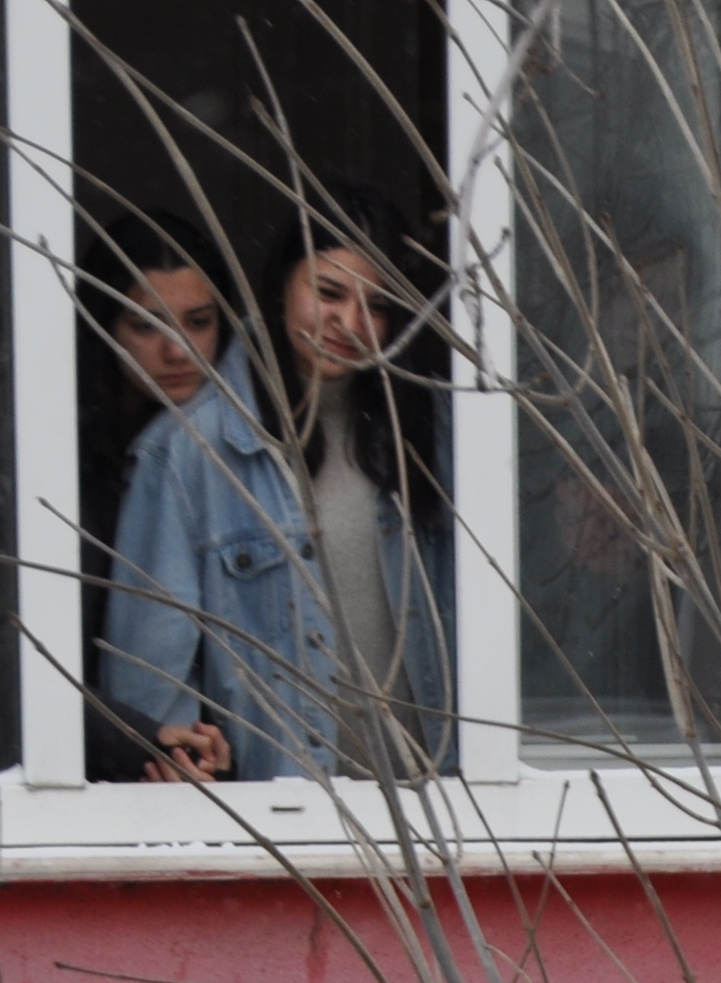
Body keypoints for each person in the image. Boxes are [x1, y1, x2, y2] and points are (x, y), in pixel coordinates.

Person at [97, 216, 455, 784]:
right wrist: (176, 773)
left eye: (377, 305)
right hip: (290, 817)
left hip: (442, 806)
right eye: (329, 292)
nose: (349, 322)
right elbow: (151, 686)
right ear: (282, 287)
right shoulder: (189, 449)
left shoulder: (445, 435)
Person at [77, 213, 246, 781]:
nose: (178, 351)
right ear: (102, 327)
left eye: (198, 322)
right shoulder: (54, 463)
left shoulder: (238, 449)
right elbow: (11, 673)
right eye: (147, 326)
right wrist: (137, 740)